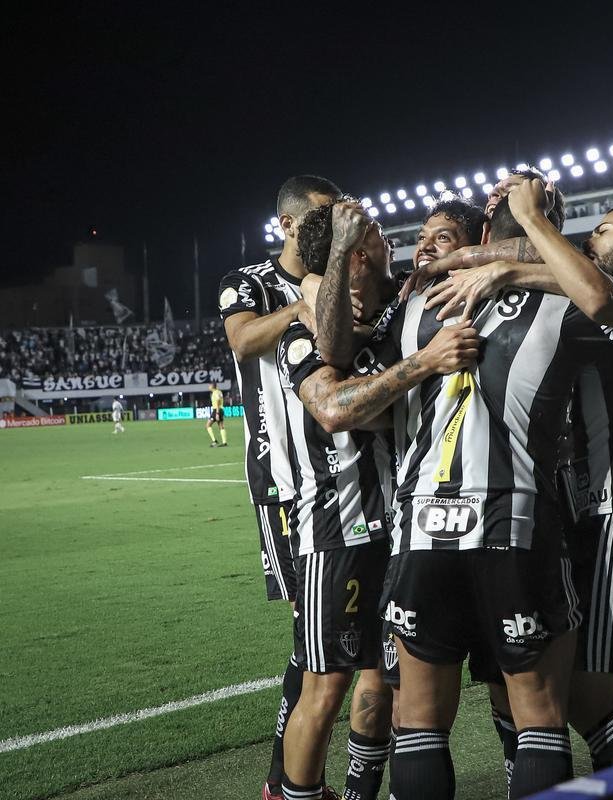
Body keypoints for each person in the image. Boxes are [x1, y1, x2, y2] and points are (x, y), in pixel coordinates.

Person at [378, 179, 613, 799]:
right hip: (522, 518)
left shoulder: (418, 302)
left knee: (419, 719)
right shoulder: (571, 305)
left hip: (427, 521)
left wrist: (458, 266)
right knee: (551, 711)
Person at [279, 197, 480, 800]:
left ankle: (363, 790)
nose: (399, 246)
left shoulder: (400, 315)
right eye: (378, 237)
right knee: (326, 685)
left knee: (383, 679)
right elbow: (335, 409)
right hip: (334, 527)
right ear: (357, 254)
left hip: (402, 525)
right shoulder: (302, 333)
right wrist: (422, 364)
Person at [218, 174, 343, 800]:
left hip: (354, 478)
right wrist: (302, 305)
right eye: (319, 220)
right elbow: (242, 341)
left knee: (357, 641)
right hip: (287, 484)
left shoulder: (346, 274)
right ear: (288, 224)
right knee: (312, 638)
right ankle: (286, 781)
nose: (329, 231)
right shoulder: (249, 283)